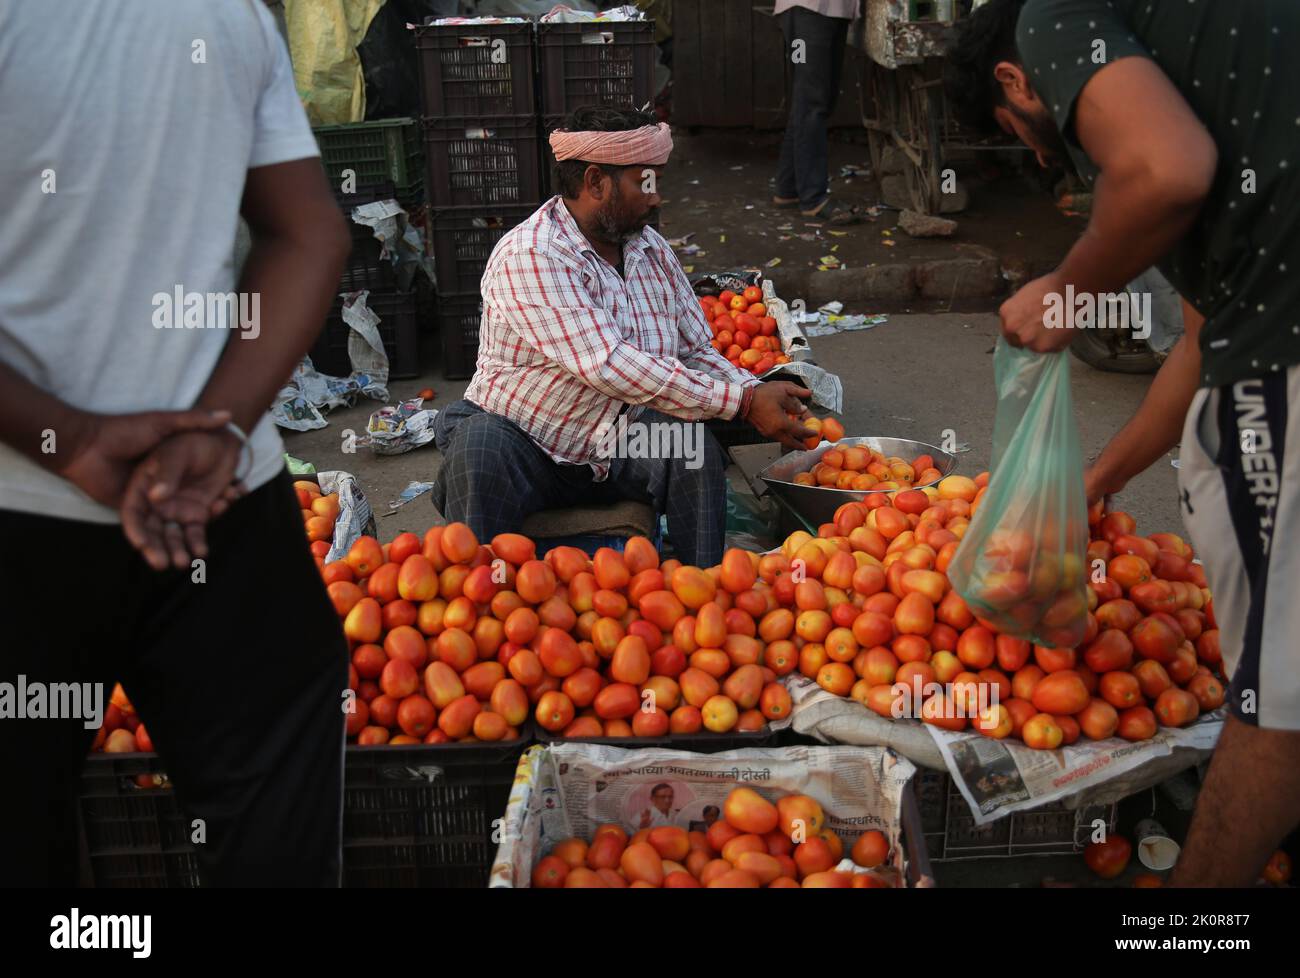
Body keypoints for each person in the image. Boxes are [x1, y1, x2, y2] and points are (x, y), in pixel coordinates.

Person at [946, 0, 1300, 887]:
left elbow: (1167, 167)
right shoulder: (1219, 76)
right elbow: (1201, 341)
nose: (1042, 154)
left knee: (1279, 696)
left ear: (1015, 79)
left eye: (1023, 134)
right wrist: (1093, 480)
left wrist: (1065, 294)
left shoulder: (1056, 15)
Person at [0, 0, 353, 886]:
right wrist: (222, 426)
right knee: (271, 830)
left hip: (24, 518)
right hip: (218, 507)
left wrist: (75, 441)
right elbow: (307, 232)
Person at [432, 105, 814, 568]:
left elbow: (693, 351)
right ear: (595, 182)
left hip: (618, 443)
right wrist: (742, 404)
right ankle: (476, 607)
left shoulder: (650, 250)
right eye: (645, 182)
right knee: (479, 449)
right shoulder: (530, 254)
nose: (656, 199)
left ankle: (707, 597)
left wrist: (756, 391)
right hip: (527, 443)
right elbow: (605, 365)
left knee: (692, 449)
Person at [772, 0, 863, 224]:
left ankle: (788, 187)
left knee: (811, 100)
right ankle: (813, 198)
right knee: (812, 102)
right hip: (808, 10)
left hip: (831, 10)